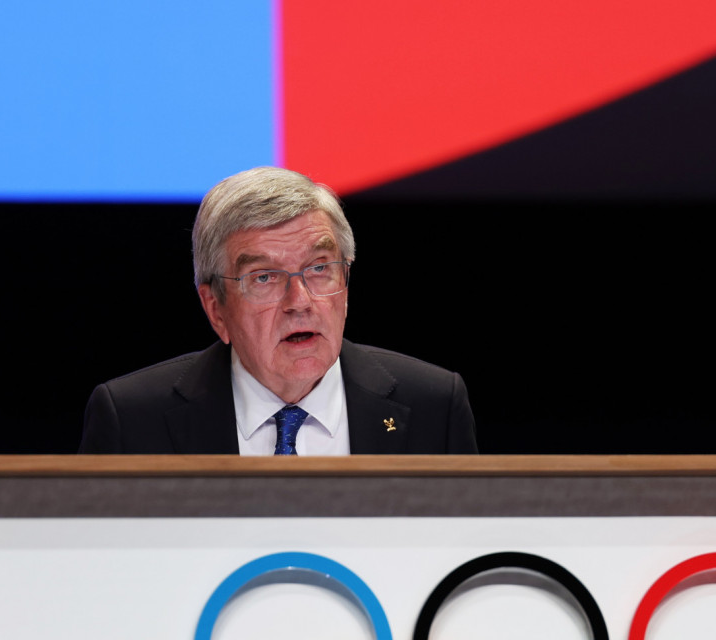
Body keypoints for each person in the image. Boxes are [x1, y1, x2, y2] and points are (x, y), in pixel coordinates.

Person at [78, 166, 476, 454]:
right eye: (264, 278)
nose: (299, 301)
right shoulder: (131, 421)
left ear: (346, 285)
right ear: (215, 308)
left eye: (320, 269)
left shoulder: (433, 406)